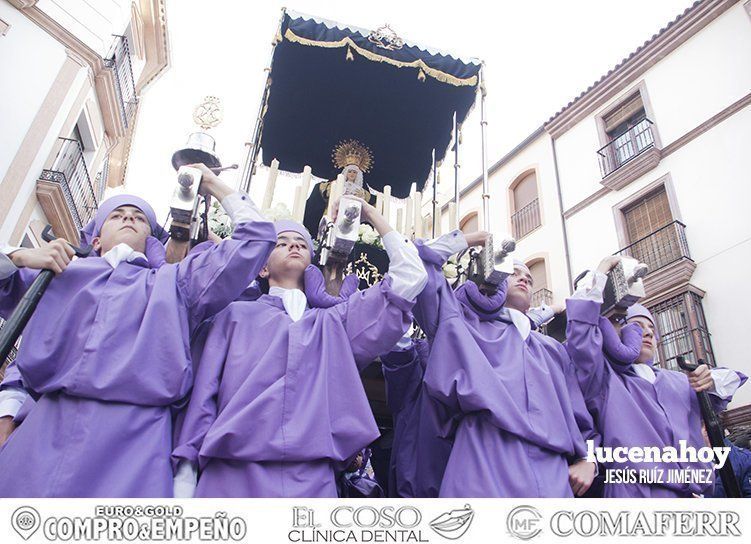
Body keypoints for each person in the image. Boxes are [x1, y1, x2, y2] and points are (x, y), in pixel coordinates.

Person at [0, 165, 276, 497]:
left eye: (140, 217)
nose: (130, 218)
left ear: (150, 238)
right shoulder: (58, 274)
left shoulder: (178, 284)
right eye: (117, 215)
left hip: (136, 446)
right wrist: (18, 256)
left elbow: (257, 237)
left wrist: (213, 184)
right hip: (43, 434)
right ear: (97, 238)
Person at [172, 196, 427, 497]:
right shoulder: (232, 316)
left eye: (302, 243)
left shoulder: (335, 324)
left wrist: (370, 213)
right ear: (261, 269)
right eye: (281, 243)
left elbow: (411, 277)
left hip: (312, 485)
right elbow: (203, 397)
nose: (293, 245)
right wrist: (185, 480)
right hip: (230, 477)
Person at [406, 229, 598, 497]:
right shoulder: (463, 327)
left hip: (553, 478)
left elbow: (583, 421)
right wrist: (472, 239)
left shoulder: (553, 350)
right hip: (483, 465)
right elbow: (418, 265)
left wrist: (589, 460)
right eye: (514, 272)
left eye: (530, 278)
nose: (524, 278)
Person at [565, 256, 746, 497]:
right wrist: (600, 274)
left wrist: (710, 379)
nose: (648, 333)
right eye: (637, 326)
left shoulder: (680, 381)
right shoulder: (604, 379)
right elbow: (581, 337)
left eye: (652, 329)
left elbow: (732, 381)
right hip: (635, 495)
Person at [303, 139, 377, 236]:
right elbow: (321, 191)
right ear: (345, 172)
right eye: (350, 171)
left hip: (352, 220)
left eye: (354, 172)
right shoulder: (335, 185)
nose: (352, 174)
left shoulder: (362, 191)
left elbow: (374, 203)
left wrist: (362, 196)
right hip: (333, 215)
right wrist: (334, 188)